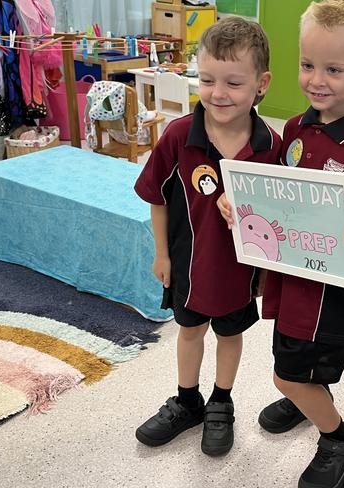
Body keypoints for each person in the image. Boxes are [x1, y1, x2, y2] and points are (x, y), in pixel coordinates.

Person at [250, 0, 344, 486]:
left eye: (334, 69)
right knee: (292, 360)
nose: (317, 79)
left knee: (287, 371)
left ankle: (339, 436)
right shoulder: (295, 128)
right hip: (294, 277)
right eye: (307, 64)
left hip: (334, 293)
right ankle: (305, 394)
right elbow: (276, 190)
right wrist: (244, 205)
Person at [133, 16, 282, 456]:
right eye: (207, 79)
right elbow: (156, 197)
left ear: (262, 83)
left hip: (240, 271)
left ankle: (221, 401)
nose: (218, 93)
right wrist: (161, 254)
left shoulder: (271, 145)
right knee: (190, 331)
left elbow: (279, 212)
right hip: (188, 264)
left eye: (234, 82)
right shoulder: (179, 136)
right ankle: (187, 400)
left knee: (230, 335)